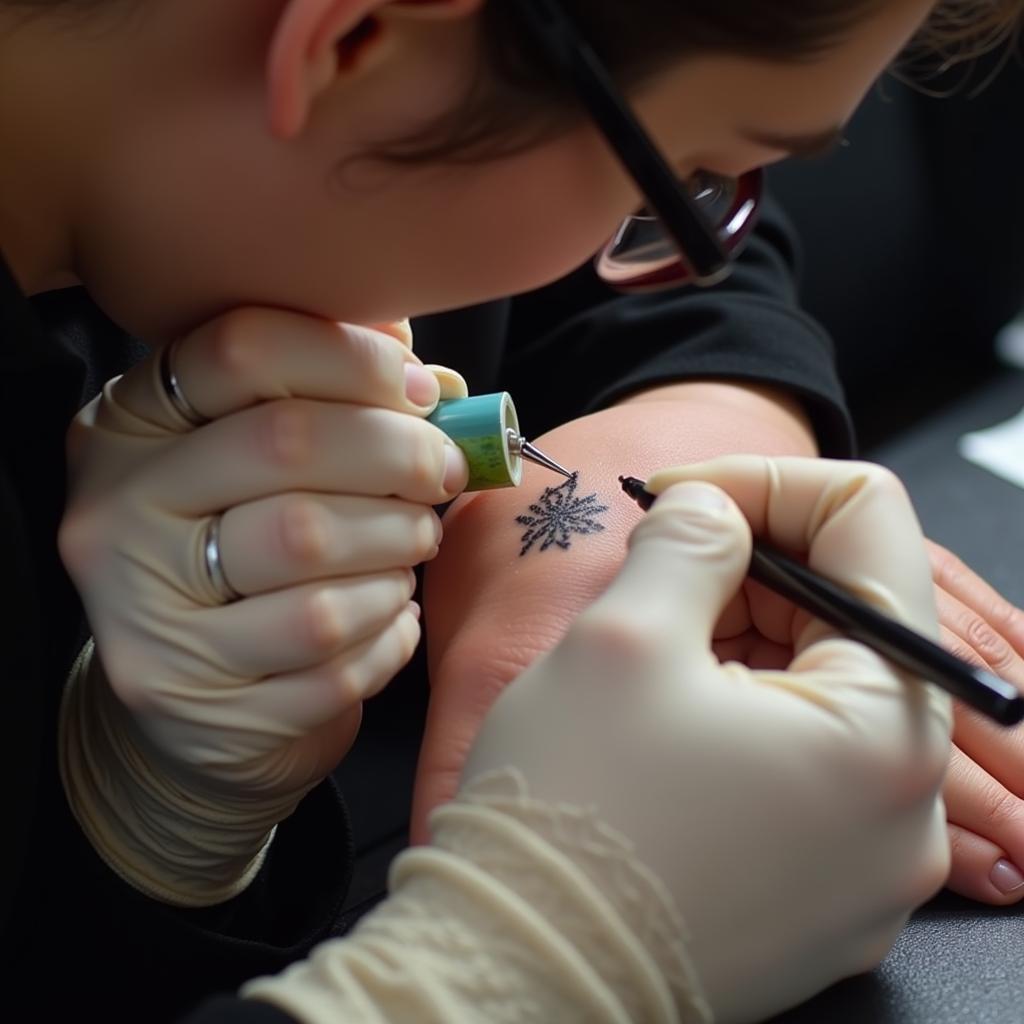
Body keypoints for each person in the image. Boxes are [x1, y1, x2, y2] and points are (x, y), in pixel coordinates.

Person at [0, 0, 1010, 1020]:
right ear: (354, 40)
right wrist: (533, 959)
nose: (696, 225)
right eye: (690, 173)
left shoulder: (304, 134)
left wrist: (151, 843)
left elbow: (638, 247)